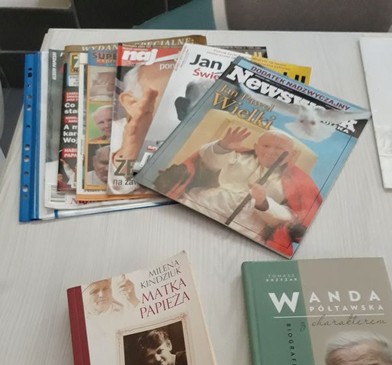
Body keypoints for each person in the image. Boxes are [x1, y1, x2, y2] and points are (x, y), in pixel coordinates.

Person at [166, 126, 321, 249]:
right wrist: (223, 147)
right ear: (256, 147)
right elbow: (210, 163)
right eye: (266, 145)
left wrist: (263, 202)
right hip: (205, 205)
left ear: (292, 154)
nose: (271, 152)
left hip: (246, 228)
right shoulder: (239, 156)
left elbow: (290, 218)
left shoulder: (297, 182)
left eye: (279, 149)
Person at [109, 60, 175, 194]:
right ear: (131, 102)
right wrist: (130, 151)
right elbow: (116, 188)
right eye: (169, 97)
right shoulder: (113, 132)